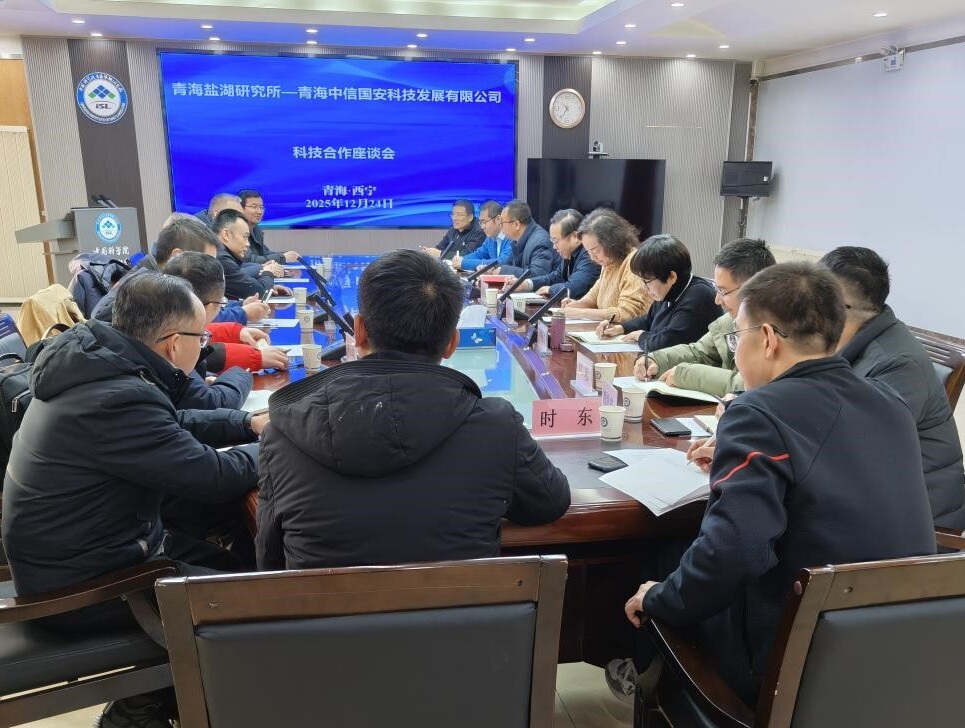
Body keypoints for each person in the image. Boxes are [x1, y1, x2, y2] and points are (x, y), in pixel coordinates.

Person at [617, 262, 936, 706]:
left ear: (766, 339)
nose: (737, 350)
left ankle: (645, 685)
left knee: (660, 561)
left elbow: (735, 553)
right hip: (902, 648)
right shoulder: (890, 402)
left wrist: (659, 598)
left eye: (737, 337)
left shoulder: (757, 413)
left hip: (795, 661)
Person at [3, 274, 264, 727]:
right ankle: (136, 715)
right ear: (173, 344)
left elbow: (168, 423)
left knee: (237, 564)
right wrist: (280, 442)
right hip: (85, 587)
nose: (203, 347)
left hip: (86, 553)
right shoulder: (116, 397)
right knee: (252, 605)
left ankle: (159, 705)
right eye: (201, 338)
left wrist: (246, 424)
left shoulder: (97, 364)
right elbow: (213, 477)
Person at [256, 249, 571, 570]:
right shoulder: (497, 427)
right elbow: (549, 503)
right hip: (464, 603)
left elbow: (269, 563)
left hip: (324, 605)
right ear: (452, 343)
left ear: (359, 330)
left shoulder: (282, 435)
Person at [820, 246, 965, 529]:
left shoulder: (898, 365)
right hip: (875, 498)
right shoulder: (849, 342)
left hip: (915, 524)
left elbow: (853, 454)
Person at [634, 238, 775, 396]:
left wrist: (686, 375)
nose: (717, 300)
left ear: (752, 290)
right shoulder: (729, 321)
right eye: (717, 289)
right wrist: (656, 359)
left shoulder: (776, 330)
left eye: (723, 291)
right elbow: (699, 352)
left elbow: (751, 383)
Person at [92, 215, 270, 326]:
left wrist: (238, 306)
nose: (209, 270)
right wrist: (243, 313)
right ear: (177, 256)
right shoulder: (149, 290)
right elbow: (193, 319)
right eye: (205, 261)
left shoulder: (157, 276)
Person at [597, 234, 721, 351]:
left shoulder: (699, 295)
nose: (645, 287)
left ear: (671, 277)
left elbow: (667, 343)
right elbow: (649, 319)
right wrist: (621, 328)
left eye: (647, 281)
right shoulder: (670, 290)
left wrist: (640, 336)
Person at [557, 208, 650, 321]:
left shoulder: (634, 264)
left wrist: (581, 312)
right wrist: (577, 304)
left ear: (612, 243)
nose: (592, 258)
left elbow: (626, 314)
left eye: (595, 251)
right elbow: (594, 296)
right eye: (588, 252)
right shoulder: (609, 263)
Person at [504, 209, 601, 300]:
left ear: (575, 237)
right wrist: (526, 284)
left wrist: (550, 289)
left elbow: (572, 289)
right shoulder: (569, 253)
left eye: (556, 241)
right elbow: (555, 277)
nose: (554, 247)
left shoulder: (590, 256)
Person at [214, 209, 289, 299]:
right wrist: (268, 272)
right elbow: (260, 293)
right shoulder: (221, 257)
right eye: (245, 237)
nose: (248, 244)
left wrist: (269, 287)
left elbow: (241, 274)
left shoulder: (222, 252)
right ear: (226, 234)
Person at [497, 199, 559, 279]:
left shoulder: (540, 241)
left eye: (502, 223)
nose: (500, 226)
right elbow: (508, 264)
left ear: (516, 224)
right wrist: (495, 269)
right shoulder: (516, 240)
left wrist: (503, 270)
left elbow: (537, 275)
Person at [238, 189, 300, 264]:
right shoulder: (236, 230)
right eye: (254, 207)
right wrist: (282, 257)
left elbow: (264, 253)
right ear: (240, 209)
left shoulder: (255, 229)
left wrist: (286, 255)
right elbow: (249, 259)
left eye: (261, 207)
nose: (259, 211)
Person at [452, 200, 511, 271]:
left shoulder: (510, 237)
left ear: (498, 219)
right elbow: (478, 254)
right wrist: (460, 259)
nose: (482, 227)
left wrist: (463, 263)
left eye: (484, 222)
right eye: (480, 223)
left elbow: (501, 262)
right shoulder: (490, 238)